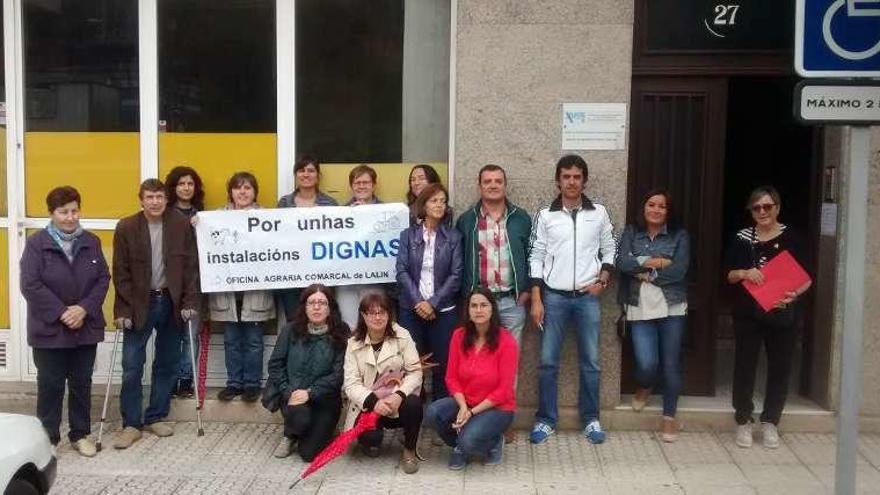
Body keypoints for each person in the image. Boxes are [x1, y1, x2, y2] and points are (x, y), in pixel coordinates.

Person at [528, 154, 615, 445]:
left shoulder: (599, 213)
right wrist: (537, 298)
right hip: (554, 297)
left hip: (588, 298)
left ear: (584, 180)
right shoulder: (545, 215)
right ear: (558, 180)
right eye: (566, 176)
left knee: (591, 362)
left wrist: (603, 280)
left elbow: (610, 248)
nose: (572, 181)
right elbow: (536, 256)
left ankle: (590, 419)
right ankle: (545, 419)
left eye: (577, 176)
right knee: (547, 362)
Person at [20, 186, 110, 457]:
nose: (70, 217)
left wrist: (83, 309)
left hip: (85, 327)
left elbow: (102, 279)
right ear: (52, 213)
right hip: (49, 329)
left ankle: (80, 434)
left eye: (74, 210)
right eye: (63, 212)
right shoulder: (37, 244)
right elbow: (30, 285)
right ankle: (47, 439)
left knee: (82, 382)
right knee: (51, 384)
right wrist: (62, 312)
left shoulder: (91, 241)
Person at [112, 179, 199, 449]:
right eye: (149, 197)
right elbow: (121, 272)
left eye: (159, 196)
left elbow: (191, 267)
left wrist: (189, 301)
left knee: (167, 363)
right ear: (141, 199)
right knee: (131, 366)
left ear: (166, 198)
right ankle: (131, 424)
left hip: (171, 302)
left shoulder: (180, 224)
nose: (155, 202)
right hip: (139, 303)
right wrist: (123, 308)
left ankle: (156, 415)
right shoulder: (126, 227)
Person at [724, 186, 811, 449]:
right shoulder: (741, 237)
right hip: (748, 313)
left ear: (777, 208)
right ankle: (743, 420)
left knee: (780, 368)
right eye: (757, 207)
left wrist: (793, 295)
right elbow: (728, 274)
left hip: (781, 312)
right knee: (744, 367)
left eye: (767, 207)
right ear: (751, 211)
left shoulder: (792, 237)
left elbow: (806, 277)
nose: (762, 212)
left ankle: (771, 421)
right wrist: (744, 273)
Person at [616, 190, 690, 443]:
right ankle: (645, 385)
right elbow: (622, 263)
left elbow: (679, 270)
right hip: (639, 306)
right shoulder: (630, 233)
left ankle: (669, 418)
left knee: (670, 365)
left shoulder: (680, 236)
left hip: (672, 306)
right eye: (652, 204)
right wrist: (656, 261)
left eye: (662, 206)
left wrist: (644, 272)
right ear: (644, 207)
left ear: (669, 211)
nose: (656, 210)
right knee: (647, 364)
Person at [425, 288, 519, 470]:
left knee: (467, 441)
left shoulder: (507, 341)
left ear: (493, 309)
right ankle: (461, 444)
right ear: (467, 311)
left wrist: (471, 412)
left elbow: (504, 390)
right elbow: (451, 377)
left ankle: (490, 442)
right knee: (432, 414)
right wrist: (462, 407)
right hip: (465, 401)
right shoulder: (459, 336)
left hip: (497, 408)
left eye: (484, 305)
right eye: (473, 306)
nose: (478, 310)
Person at [211, 172, 276, 403]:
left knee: (253, 341)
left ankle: (251, 384)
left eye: (248, 188)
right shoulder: (216, 218)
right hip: (227, 293)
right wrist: (197, 224)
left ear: (254, 192)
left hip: (254, 293)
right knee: (231, 341)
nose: (243, 192)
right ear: (230, 192)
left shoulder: (267, 217)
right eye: (238, 188)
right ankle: (234, 383)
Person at [343, 292, 423, 474]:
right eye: (372, 313)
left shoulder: (402, 336)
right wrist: (374, 403)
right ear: (363, 316)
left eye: (382, 312)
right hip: (369, 405)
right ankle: (371, 439)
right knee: (371, 440)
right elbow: (351, 384)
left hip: (397, 402)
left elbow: (416, 372)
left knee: (413, 404)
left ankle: (409, 450)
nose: (378, 317)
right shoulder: (353, 343)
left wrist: (399, 395)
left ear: (389, 314)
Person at [396, 183, 462, 401]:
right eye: (434, 200)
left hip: (443, 310)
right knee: (413, 363)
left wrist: (432, 303)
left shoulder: (453, 237)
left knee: (443, 364)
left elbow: (456, 274)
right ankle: (412, 412)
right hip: (411, 309)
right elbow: (402, 271)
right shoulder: (408, 235)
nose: (440, 205)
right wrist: (419, 302)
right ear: (423, 205)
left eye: (443, 201)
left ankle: (440, 413)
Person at [267, 284, 348, 462]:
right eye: (311, 302)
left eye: (322, 302)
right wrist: (288, 391)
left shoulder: (341, 332)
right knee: (300, 417)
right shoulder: (290, 330)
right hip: (294, 397)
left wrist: (310, 392)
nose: (317, 307)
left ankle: (323, 430)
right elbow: (275, 365)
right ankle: (290, 435)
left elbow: (339, 374)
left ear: (330, 307)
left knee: (308, 454)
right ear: (304, 306)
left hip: (325, 400)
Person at [456, 164, 531, 344]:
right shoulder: (467, 220)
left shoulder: (520, 218)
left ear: (505, 185)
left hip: (512, 302)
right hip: (479, 303)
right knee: (479, 356)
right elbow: (458, 260)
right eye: (487, 181)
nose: (493, 185)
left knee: (510, 361)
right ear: (479, 186)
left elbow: (532, 256)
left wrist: (526, 290)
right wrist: (467, 296)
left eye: (498, 181)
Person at [276, 155, 338, 322]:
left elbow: (337, 238)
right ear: (296, 175)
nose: (306, 174)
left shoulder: (330, 204)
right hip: (290, 273)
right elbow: (276, 237)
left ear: (318, 176)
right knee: (295, 320)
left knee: (322, 319)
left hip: (322, 272)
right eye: (301, 170)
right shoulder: (284, 203)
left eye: (311, 170)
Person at [164, 165, 205, 398]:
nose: (186, 188)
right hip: (169, 283)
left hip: (196, 282)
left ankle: (185, 379)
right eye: (181, 183)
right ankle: (168, 377)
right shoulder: (165, 214)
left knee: (192, 332)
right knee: (170, 333)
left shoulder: (203, 214)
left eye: (190, 183)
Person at [337, 164, 387, 327]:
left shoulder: (388, 211)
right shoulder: (340, 212)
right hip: (347, 281)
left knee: (375, 323)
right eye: (357, 183)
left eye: (365, 182)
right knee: (349, 327)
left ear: (374, 185)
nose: (361, 186)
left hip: (375, 279)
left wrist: (368, 214)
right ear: (352, 186)